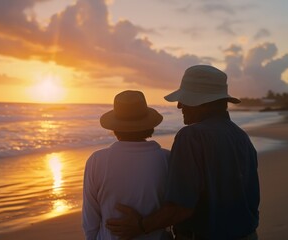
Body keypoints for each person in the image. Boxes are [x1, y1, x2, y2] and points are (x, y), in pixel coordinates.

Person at [106, 65, 260, 240]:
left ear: (203, 102)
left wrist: (141, 226)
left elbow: (181, 207)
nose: (179, 106)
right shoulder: (241, 137)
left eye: (186, 99)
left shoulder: (192, 136)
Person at [82, 90, 172, 239]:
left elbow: (90, 222)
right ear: (149, 124)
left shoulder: (97, 161)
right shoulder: (166, 159)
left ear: (114, 127)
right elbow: (173, 212)